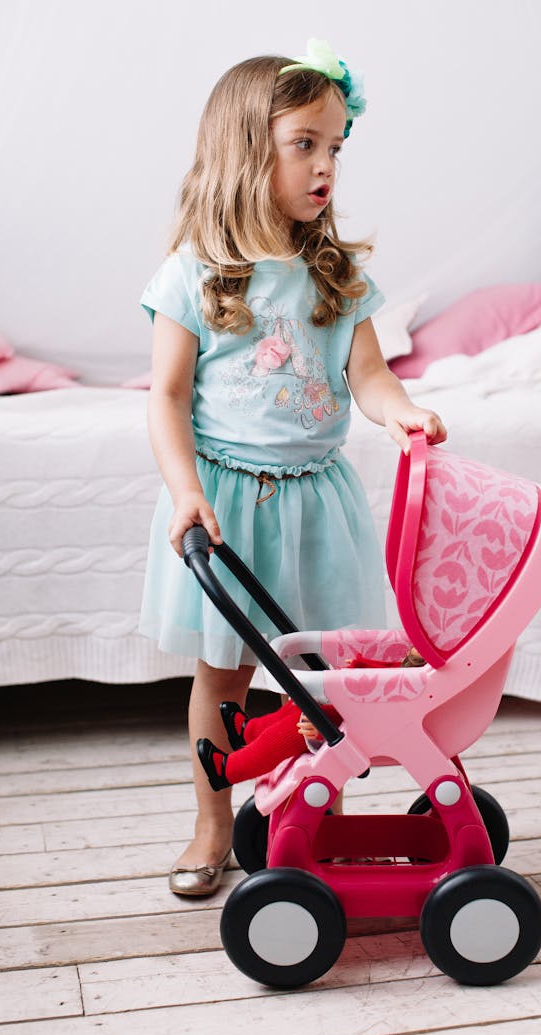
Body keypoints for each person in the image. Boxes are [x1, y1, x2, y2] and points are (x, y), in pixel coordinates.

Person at [139, 39, 446, 897]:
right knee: (228, 676)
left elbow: (369, 375)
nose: (326, 166)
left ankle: (319, 825)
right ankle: (211, 823)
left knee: (324, 687)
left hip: (319, 505)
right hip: (229, 506)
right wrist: (186, 493)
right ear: (247, 149)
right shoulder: (196, 273)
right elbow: (164, 396)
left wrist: (400, 412)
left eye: (337, 146)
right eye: (305, 143)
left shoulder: (336, 274)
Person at [197, 648, 427, 791]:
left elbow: (389, 705)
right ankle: (249, 731)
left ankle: (229, 770)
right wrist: (360, 665)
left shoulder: (429, 676)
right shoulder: (418, 668)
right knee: (298, 705)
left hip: (364, 721)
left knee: (296, 727)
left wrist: (322, 734)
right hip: (359, 707)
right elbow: (392, 673)